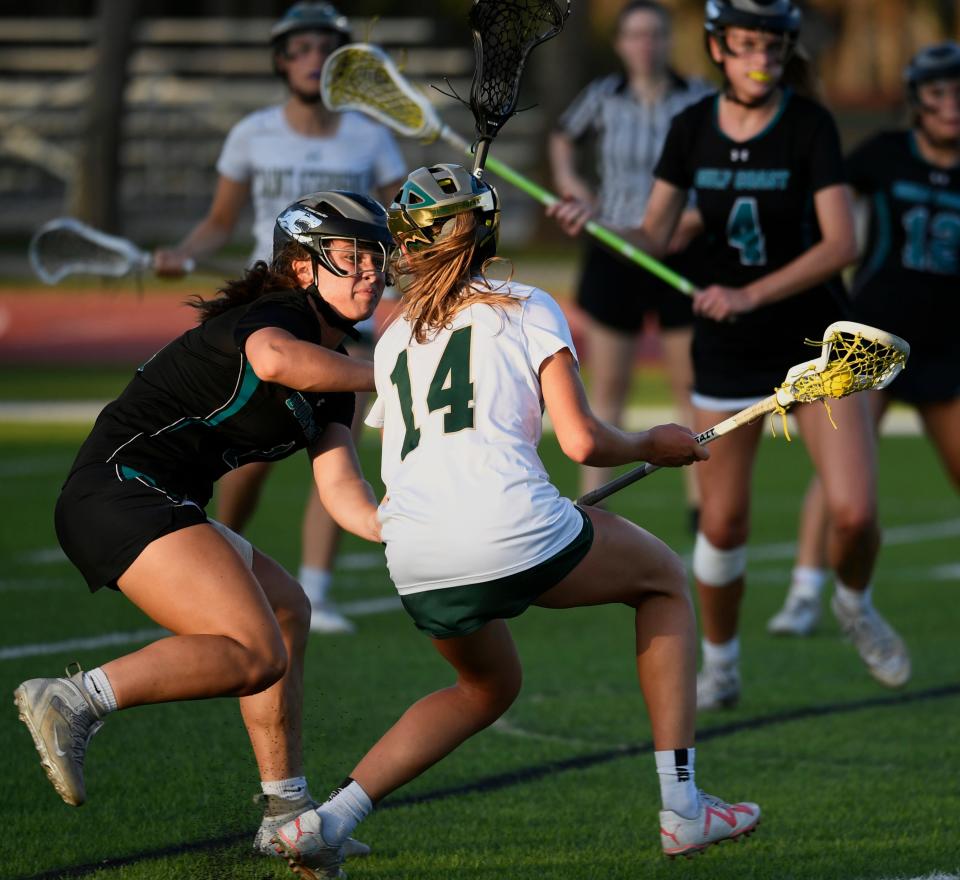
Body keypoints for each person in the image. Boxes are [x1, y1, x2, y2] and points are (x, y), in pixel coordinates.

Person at [266, 164, 759, 879]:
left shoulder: (396, 333)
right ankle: (683, 808)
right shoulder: (527, 303)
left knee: (485, 688)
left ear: (407, 244)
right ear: (488, 233)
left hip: (413, 554)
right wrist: (655, 444)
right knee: (662, 580)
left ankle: (329, 819)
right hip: (512, 528)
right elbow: (584, 442)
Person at [14, 192, 394, 866]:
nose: (369, 271)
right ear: (303, 269)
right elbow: (275, 361)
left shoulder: (340, 375)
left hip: (163, 500)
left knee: (287, 611)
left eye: (377, 258)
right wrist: (397, 377)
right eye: (350, 257)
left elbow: (341, 489)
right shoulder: (277, 316)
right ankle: (73, 699)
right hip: (118, 489)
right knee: (256, 652)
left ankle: (285, 815)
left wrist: (408, 525)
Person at [552, 0, 909, 710]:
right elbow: (656, 234)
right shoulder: (691, 129)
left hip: (818, 347)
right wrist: (599, 223)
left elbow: (839, 244)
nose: (760, 58)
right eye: (746, 45)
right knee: (722, 522)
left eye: (772, 47)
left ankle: (854, 604)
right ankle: (720, 660)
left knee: (855, 514)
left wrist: (752, 294)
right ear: (719, 49)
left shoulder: (809, 125)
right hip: (728, 352)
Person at [154, 1, 406, 634]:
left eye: (326, 47)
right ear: (280, 59)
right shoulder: (252, 133)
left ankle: (315, 589)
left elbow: (399, 222)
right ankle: (218, 566)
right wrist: (183, 252)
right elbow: (219, 222)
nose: (312, 57)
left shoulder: (370, 136)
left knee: (335, 437)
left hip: (346, 311)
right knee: (253, 448)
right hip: (275, 311)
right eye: (300, 47)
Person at [768, 41, 960, 636]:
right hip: (874, 336)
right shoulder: (882, 155)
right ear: (916, 101)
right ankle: (804, 592)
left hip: (949, 342)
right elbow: (825, 215)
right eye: (937, 93)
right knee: (842, 471)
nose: (950, 104)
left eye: (958, 92)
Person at [549, 0, 712, 521]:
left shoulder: (699, 98)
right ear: (621, 45)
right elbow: (562, 138)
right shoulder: (603, 96)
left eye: (655, 34)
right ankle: (592, 503)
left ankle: (701, 501)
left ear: (668, 41)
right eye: (635, 35)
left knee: (690, 384)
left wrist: (694, 219)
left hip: (681, 252)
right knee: (605, 390)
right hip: (614, 248)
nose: (646, 44)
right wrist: (575, 190)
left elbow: (722, 166)